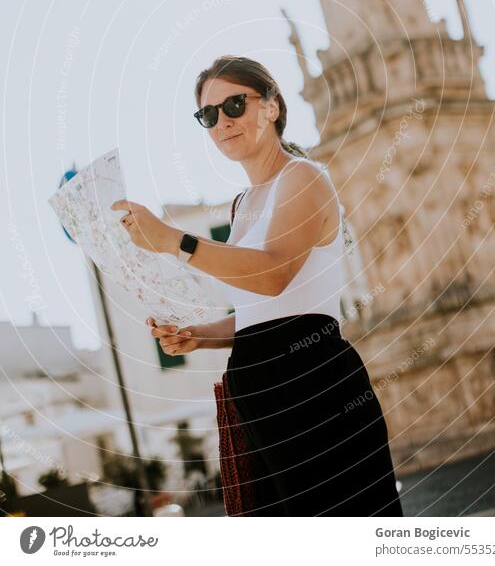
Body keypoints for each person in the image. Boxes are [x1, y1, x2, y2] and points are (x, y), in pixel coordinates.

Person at [115, 55, 403, 517]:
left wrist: (175, 241)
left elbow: (272, 275)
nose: (222, 122)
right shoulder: (241, 205)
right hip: (256, 386)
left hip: (311, 379)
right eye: (208, 115)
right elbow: (264, 314)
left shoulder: (304, 177)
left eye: (233, 105)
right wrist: (200, 335)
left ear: (270, 106)